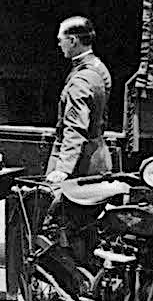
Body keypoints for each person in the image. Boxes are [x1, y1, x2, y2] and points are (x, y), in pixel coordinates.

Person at [45, 16, 112, 184]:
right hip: (98, 156)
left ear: (73, 41)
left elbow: (75, 127)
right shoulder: (99, 67)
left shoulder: (80, 81)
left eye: (60, 40)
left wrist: (63, 169)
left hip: (80, 166)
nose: (59, 45)